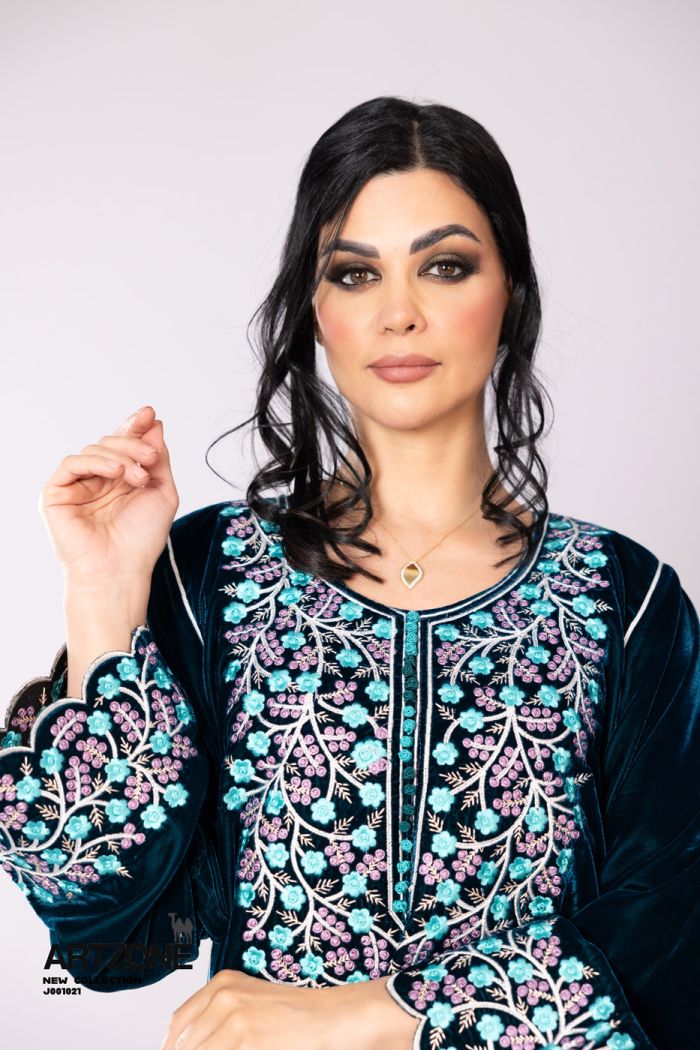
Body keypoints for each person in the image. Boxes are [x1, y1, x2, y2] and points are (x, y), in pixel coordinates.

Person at [1, 96, 697, 1050]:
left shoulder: (625, 600)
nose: (399, 312)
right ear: (316, 311)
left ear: (511, 294)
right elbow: (103, 933)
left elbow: (670, 937)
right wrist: (104, 592)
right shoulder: (212, 576)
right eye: (354, 273)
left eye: (445, 266)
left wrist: (384, 1011)